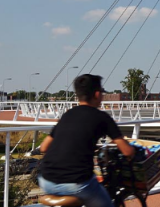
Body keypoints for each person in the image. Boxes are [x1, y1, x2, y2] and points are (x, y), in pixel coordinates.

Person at [38, 74, 135, 207]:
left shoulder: (68, 114)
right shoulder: (102, 118)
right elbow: (127, 151)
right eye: (101, 92)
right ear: (96, 94)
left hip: (46, 180)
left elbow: (44, 147)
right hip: (76, 183)